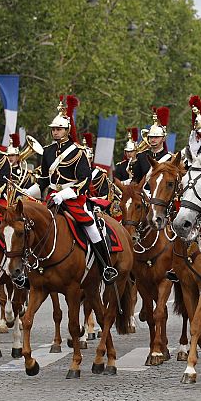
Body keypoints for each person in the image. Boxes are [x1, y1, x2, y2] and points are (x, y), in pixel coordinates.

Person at [25, 95, 118, 283]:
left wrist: (65, 194)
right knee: (27, 223)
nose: (55, 132)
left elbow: (84, 180)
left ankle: (106, 266)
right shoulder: (48, 151)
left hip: (73, 197)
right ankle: (26, 269)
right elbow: (44, 179)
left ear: (67, 130)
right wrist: (27, 193)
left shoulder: (78, 152)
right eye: (53, 129)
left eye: (59, 129)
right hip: (51, 197)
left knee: (91, 225)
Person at [131, 107, 171, 185]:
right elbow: (135, 180)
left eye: (156, 137)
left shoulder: (169, 158)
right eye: (151, 137)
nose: (153, 140)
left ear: (163, 138)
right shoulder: (141, 156)